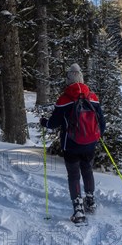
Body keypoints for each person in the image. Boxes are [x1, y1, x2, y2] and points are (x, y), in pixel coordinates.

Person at [40, 63, 106, 224]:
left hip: (70, 144)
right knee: (87, 169)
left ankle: (78, 209)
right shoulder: (93, 97)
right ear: (82, 78)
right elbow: (102, 122)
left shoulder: (64, 99)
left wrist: (44, 122)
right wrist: (96, 136)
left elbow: (54, 122)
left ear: (69, 80)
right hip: (90, 143)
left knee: (74, 175)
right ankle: (90, 201)